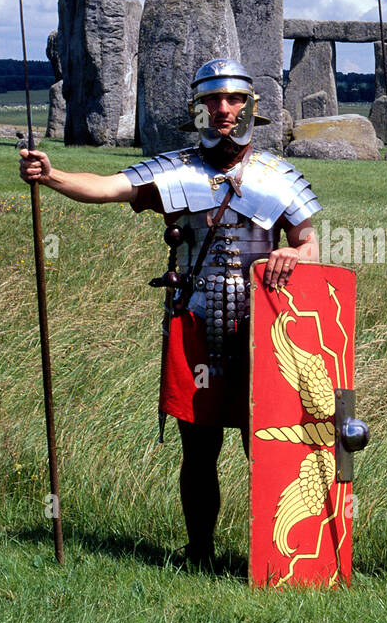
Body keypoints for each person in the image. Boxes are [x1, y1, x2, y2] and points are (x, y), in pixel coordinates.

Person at [19, 58, 321, 567]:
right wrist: (53, 176)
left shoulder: (279, 176)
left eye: (233, 100)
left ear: (250, 109)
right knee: (198, 449)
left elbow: (309, 242)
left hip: (264, 331)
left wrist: (294, 254)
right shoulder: (175, 169)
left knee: (269, 448)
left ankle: (274, 559)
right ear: (196, 111)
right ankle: (200, 551)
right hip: (196, 322)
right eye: (211, 101)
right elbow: (108, 187)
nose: (222, 110)